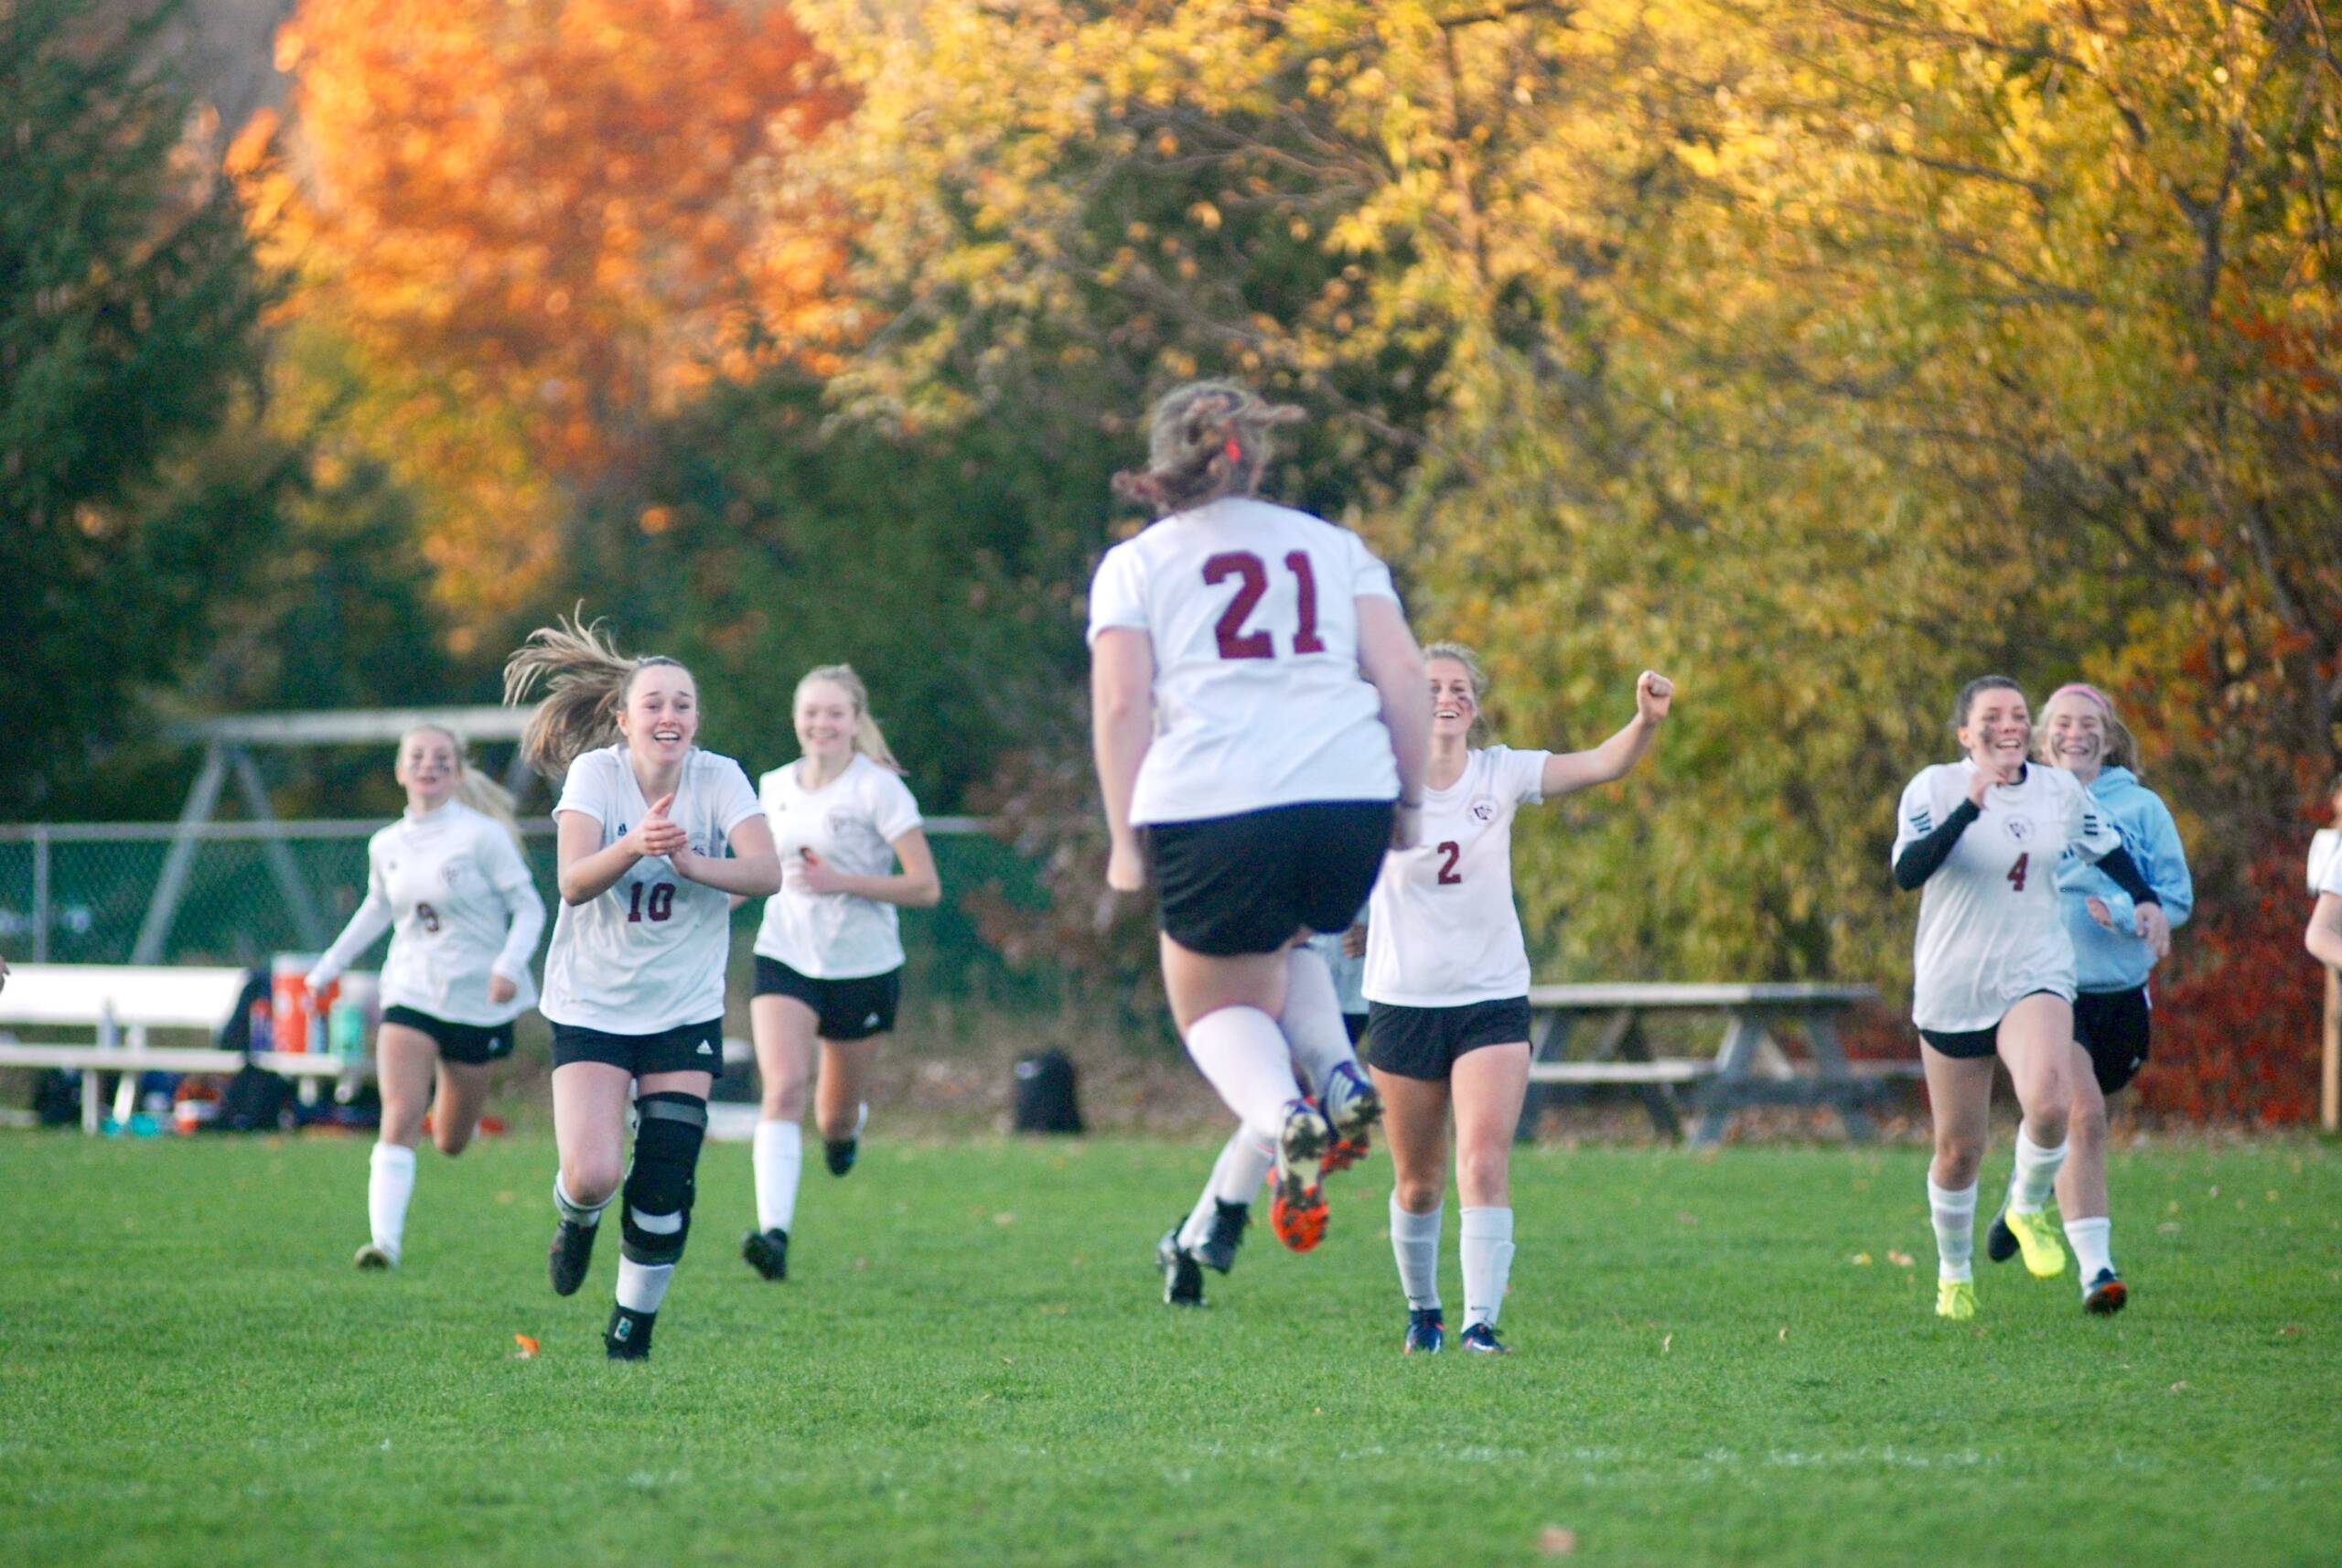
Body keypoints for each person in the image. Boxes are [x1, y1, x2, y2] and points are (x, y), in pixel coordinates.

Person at [1090, 380, 1431, 1263]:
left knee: (1209, 999)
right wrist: (1407, 802)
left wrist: (1124, 840)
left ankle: (1288, 1117)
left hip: (1217, 801)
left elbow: (1122, 704)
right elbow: (1402, 674)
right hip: (1347, 796)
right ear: (1258, 453)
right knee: (1286, 945)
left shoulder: (1138, 562)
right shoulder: (1333, 546)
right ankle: (1341, 1073)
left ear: (1165, 457)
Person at [1364, 645, 1673, 1355]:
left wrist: (1645, 722)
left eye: (1460, 688)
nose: (1447, 697)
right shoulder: (1378, 782)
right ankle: (1423, 1313)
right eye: (1432, 688)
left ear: (1475, 704)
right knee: (1418, 1184)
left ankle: (1479, 1326)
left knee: (1482, 1161)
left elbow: (1602, 763)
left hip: (1491, 998)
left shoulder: (1499, 772)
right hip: (1403, 1001)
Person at [504, 616, 780, 1359]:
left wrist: (694, 866)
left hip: (683, 1008)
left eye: (682, 704)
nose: (669, 716)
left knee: (665, 1178)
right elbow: (572, 883)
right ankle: (577, 1218)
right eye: (653, 703)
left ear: (696, 719)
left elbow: (766, 872)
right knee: (595, 1174)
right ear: (623, 720)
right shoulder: (597, 776)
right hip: (593, 1003)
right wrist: (633, 845)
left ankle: (630, 1331)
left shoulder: (719, 778)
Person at [1892, 676, 2167, 1321]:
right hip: (1955, 982)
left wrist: (2146, 899)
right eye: (1992, 716)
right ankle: (1954, 1273)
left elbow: (2108, 849)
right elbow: (1908, 873)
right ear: (1966, 733)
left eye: (2018, 713)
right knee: (1959, 1150)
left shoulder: (2057, 790)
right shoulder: (1935, 787)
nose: (2009, 724)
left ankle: (2024, 1207)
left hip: (2034, 971)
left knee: (2050, 1100)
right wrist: (1971, 805)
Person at [306, 725, 546, 1271]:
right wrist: (328, 967)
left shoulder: (483, 837)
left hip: (478, 1001)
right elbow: (376, 908)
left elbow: (529, 908)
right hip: (410, 990)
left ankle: (447, 1104)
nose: (428, 765)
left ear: (457, 773)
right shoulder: (386, 844)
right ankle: (384, 1244)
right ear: (400, 771)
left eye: (441, 757)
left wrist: (508, 966)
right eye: (417, 756)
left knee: (451, 1140)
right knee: (400, 1111)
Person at [1991, 683, 2190, 1310]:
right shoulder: (2018, 801)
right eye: (2063, 723)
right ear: (2042, 736)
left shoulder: (2142, 808)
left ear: (2109, 736)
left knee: (2072, 1120)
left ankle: (2025, 1192)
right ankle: (2098, 1272)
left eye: (2089, 724)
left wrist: (2129, 912)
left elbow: (2175, 898)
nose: (2076, 734)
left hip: (2121, 995)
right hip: (2046, 988)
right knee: (2084, 1118)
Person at [741, 664, 940, 1283]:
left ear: (855, 721)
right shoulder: (772, 786)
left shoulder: (879, 790)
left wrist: (842, 881)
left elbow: (925, 886)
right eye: (811, 712)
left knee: (832, 1117)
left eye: (834, 713)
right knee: (783, 1088)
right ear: (795, 719)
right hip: (785, 954)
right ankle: (773, 1234)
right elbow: (755, 873)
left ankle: (844, 1133)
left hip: (863, 966)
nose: (821, 724)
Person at [1156, 907, 1370, 1309]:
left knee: (1279, 1111)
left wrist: (1381, 936)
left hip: (1366, 982)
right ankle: (1215, 1225)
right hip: (1292, 968)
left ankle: (1195, 1238)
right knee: (1281, 1103)